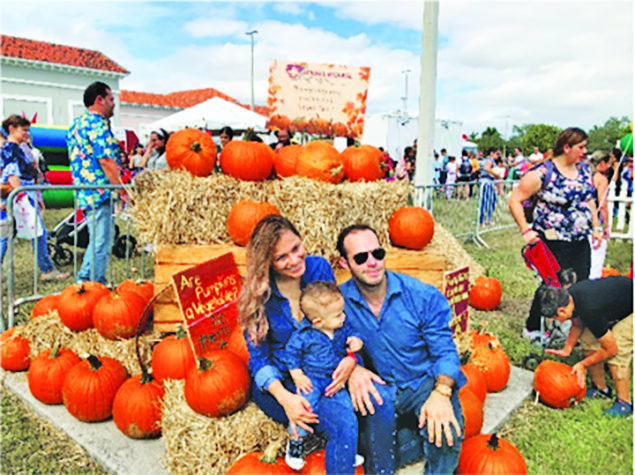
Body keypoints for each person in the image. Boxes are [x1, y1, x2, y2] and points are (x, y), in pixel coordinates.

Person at [337, 224, 465, 475]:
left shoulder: (422, 296)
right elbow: (324, 345)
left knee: (446, 433)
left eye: (377, 253)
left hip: (422, 383)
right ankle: (411, 439)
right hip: (380, 388)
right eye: (361, 257)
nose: (372, 262)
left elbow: (445, 351)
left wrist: (441, 392)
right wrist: (354, 368)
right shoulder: (338, 302)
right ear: (344, 263)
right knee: (367, 453)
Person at [237, 215, 359, 475]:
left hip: (319, 370)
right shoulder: (259, 293)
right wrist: (286, 400)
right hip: (279, 382)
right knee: (338, 423)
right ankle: (315, 448)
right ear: (267, 263)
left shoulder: (318, 269)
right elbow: (258, 359)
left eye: (295, 248)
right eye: (282, 257)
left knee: (367, 406)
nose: (294, 260)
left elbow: (335, 319)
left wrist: (351, 359)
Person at [508, 127, 602, 338]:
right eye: (581, 147)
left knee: (581, 284)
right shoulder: (542, 173)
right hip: (552, 240)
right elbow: (515, 199)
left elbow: (589, 200)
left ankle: (569, 328)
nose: (585, 151)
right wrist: (526, 230)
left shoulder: (584, 171)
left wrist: (596, 227)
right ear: (566, 147)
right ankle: (534, 327)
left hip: (579, 239)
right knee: (552, 285)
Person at [283, 281, 364, 470]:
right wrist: (298, 376)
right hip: (311, 378)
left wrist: (357, 342)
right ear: (318, 322)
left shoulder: (342, 327)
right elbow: (291, 355)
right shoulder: (304, 336)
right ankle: (295, 442)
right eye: (338, 315)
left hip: (335, 379)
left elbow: (355, 333)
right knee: (306, 408)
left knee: (347, 410)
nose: (343, 317)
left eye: (342, 312)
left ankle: (347, 452)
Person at [539, 276, 633, 417]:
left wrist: (583, 364)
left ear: (562, 311)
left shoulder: (590, 309)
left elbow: (611, 349)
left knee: (619, 346)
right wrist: (568, 348)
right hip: (615, 301)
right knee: (588, 339)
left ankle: (625, 403)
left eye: (555, 318)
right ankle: (601, 389)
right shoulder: (570, 297)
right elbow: (577, 324)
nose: (555, 321)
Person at [67, 81, 126, 284]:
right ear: (99, 100)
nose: (114, 104)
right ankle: (92, 284)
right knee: (101, 241)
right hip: (100, 191)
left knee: (98, 239)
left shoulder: (76, 123)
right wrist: (122, 189)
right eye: (111, 99)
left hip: (85, 190)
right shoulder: (97, 124)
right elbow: (106, 160)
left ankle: (86, 280)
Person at [1, 115, 69, 280]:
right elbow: (12, 174)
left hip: (21, 193)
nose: (26, 133)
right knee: (37, 232)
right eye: (23, 130)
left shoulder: (17, 147)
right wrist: (21, 196)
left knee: (6, 234)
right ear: (12, 129)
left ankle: (47, 269)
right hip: (20, 193)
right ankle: (47, 270)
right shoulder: (11, 148)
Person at [588, 151, 614, 279]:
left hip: (577, 220)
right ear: (602, 163)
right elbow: (603, 205)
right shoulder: (601, 179)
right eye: (608, 164)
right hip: (593, 222)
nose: (609, 167)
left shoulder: (582, 174)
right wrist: (607, 225)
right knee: (595, 258)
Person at [478, 147, 500, 225]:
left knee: (483, 201)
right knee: (490, 201)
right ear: (491, 153)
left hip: (483, 181)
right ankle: (487, 218)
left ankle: (481, 219)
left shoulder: (483, 160)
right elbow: (486, 168)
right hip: (487, 181)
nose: (498, 156)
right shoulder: (490, 160)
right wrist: (496, 174)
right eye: (497, 154)